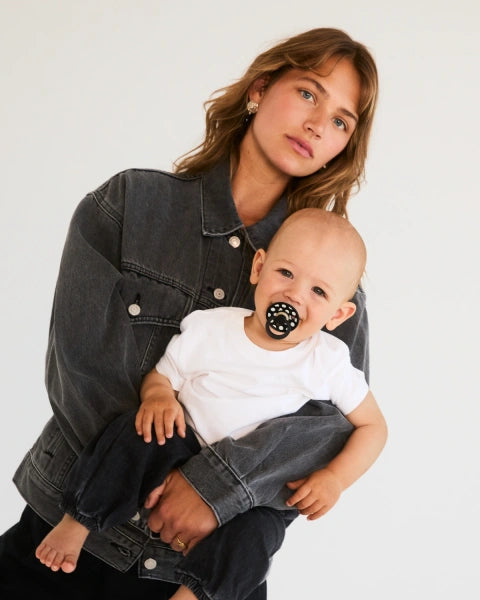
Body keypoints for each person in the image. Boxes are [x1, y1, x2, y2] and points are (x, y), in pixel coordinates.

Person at [0, 27, 380, 600]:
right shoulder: (129, 205)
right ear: (260, 89)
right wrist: (163, 482)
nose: (316, 125)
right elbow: (80, 368)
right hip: (69, 544)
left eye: (341, 122)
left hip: (199, 571)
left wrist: (213, 490)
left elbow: (327, 431)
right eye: (308, 93)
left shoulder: (332, 292)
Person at [34, 209, 387, 599]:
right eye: (286, 273)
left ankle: (193, 595)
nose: (294, 295)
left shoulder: (328, 362)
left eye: (318, 292)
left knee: (260, 533)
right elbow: (163, 376)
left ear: (339, 313)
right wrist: (158, 396)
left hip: (249, 490)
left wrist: (335, 477)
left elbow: (373, 427)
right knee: (136, 431)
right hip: (182, 443)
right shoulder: (212, 326)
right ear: (259, 267)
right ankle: (78, 521)